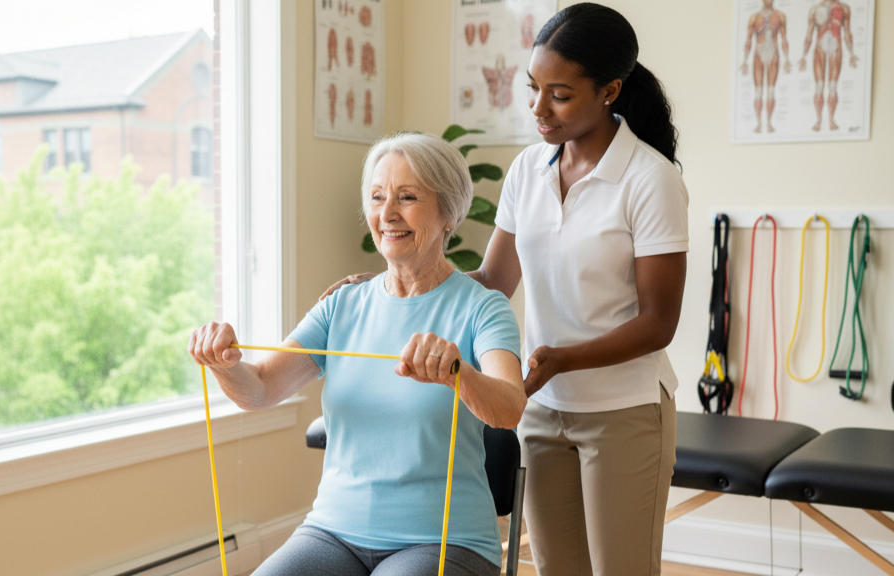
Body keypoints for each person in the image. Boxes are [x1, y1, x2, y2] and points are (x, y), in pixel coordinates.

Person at [321, 4, 688, 575]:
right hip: (542, 411)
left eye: (560, 94)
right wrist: (391, 281)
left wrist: (562, 359)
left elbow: (658, 322)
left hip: (624, 411)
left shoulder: (649, 179)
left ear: (610, 90)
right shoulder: (527, 172)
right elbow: (491, 280)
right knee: (556, 568)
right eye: (533, 88)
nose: (539, 108)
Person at [190, 132, 526, 576]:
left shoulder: (482, 307)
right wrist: (225, 365)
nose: (387, 214)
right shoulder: (342, 305)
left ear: (449, 211)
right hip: (333, 532)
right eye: (377, 197)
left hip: (445, 541)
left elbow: (509, 407)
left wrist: (457, 373)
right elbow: (261, 389)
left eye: (407, 197)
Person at [799, 0, 858, 131]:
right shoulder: (815, 8)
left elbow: (847, 31)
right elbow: (809, 34)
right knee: (819, 86)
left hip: (836, 46)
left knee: (832, 86)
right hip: (820, 46)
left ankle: (831, 120)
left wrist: (852, 52)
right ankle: (819, 120)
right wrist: (804, 55)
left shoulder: (844, 8)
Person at [741, 0, 792, 133]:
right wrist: (745, 60)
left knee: (770, 90)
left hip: (773, 55)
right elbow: (748, 39)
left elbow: (784, 38)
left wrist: (787, 59)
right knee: (758, 91)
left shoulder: (780, 16)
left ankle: (768, 122)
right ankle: (758, 123)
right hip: (758, 54)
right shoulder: (755, 17)